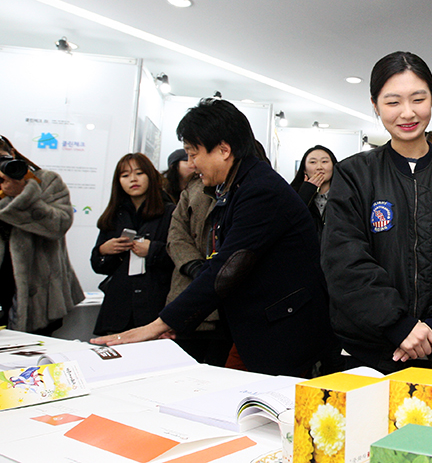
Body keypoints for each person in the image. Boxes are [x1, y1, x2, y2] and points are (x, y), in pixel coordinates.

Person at [92, 98, 333, 377]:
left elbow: (227, 268)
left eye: (194, 154)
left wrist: (158, 324)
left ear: (223, 150)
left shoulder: (260, 191)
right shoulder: (237, 186)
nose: (192, 165)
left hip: (284, 333)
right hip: (260, 326)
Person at [321, 51, 432, 407]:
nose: (407, 112)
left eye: (419, 99)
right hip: (370, 351)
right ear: (375, 105)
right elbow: (344, 258)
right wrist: (399, 325)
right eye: (393, 101)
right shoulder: (355, 174)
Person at [0, 135, 83, 334]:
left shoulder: (45, 181)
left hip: (41, 295)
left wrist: (22, 195)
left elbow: (59, 225)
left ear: (12, 154)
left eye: (2, 159)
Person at [91, 153, 175, 335]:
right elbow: (98, 266)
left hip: (155, 305)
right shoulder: (114, 215)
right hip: (118, 307)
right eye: (125, 175)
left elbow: (180, 257)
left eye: (139, 173)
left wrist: (152, 250)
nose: (133, 179)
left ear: (151, 176)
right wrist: (104, 250)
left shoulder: (170, 212)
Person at [165, 173, 232, 366]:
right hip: (188, 289)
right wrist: (195, 266)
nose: (192, 161)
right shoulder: (193, 187)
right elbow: (176, 235)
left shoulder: (248, 190)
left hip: (230, 299)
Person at [289, 145, 338, 239]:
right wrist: (306, 192)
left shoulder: (345, 194)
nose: (319, 167)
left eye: (324, 162)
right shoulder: (292, 194)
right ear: (304, 170)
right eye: (313, 162)